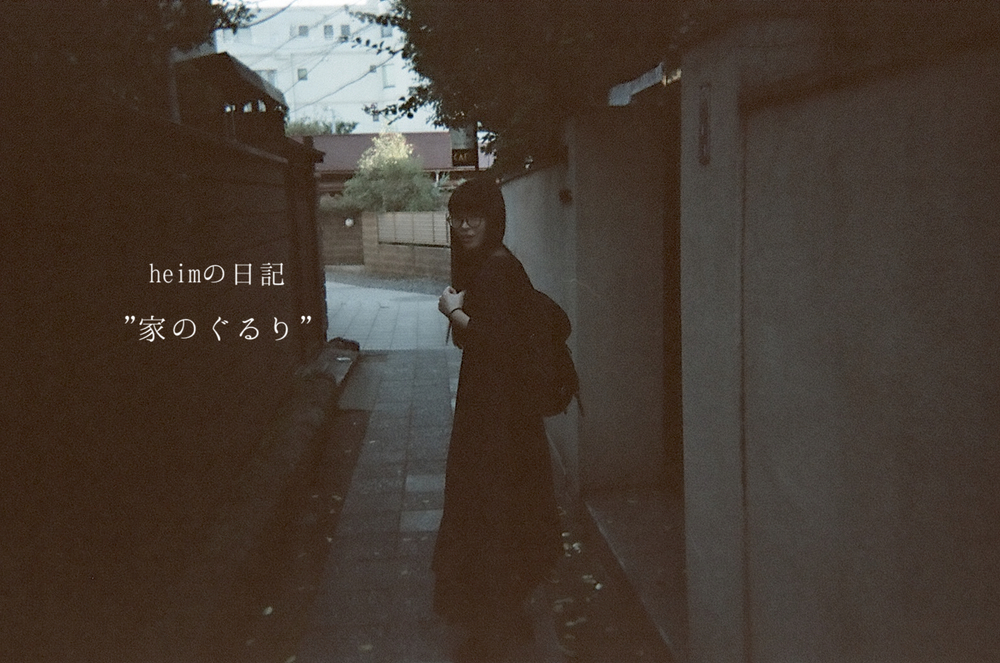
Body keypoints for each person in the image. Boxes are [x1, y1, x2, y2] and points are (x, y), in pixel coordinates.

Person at [433, 177, 562, 660]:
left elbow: (500, 345)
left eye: (475, 216)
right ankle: (502, 614)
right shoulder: (488, 265)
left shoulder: (499, 268)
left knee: (490, 509)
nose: (464, 225)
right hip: (497, 413)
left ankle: (493, 628)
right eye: (457, 216)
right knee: (500, 508)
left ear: (493, 219)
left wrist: (454, 313)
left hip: (500, 420)